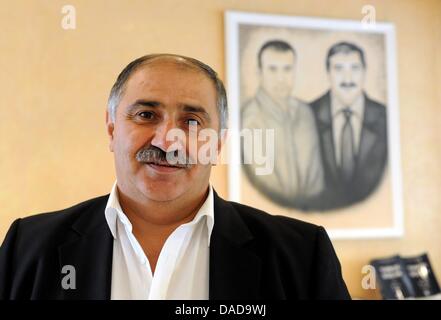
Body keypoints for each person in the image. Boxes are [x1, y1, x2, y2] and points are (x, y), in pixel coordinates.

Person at [0, 54, 350, 299]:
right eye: (146, 114)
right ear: (111, 130)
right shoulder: (28, 248)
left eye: (192, 121)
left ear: (218, 143)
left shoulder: (301, 256)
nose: (168, 139)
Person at [241, 40, 324, 210]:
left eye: (287, 69)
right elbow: (263, 183)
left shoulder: (305, 112)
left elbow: (316, 177)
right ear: (259, 73)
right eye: (272, 69)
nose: (281, 78)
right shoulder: (251, 118)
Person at [310, 42, 388, 210]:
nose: (347, 78)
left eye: (355, 68)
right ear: (328, 73)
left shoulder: (386, 118)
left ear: (364, 71)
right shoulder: (307, 115)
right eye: (338, 68)